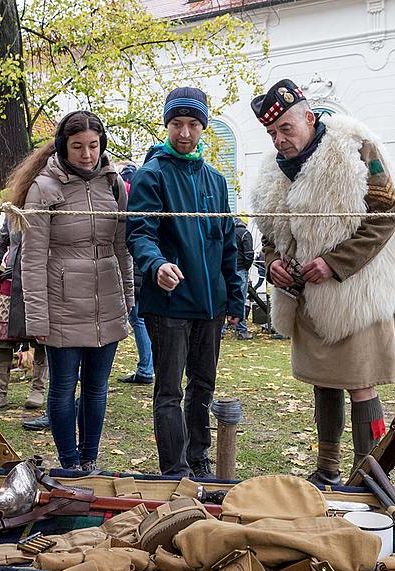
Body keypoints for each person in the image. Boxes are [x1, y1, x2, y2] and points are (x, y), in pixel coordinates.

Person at [249, 80, 395, 485]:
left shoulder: (356, 148)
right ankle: (326, 470)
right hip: (308, 296)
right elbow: (272, 233)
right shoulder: (273, 171)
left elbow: (385, 214)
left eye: (286, 129)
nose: (279, 140)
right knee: (323, 383)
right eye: (272, 133)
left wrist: (333, 263)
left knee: (360, 385)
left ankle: (368, 474)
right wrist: (274, 262)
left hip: (357, 292)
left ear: (309, 118)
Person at [127, 87, 244, 478]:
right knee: (169, 391)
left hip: (210, 304)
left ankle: (198, 458)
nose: (185, 132)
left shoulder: (215, 180)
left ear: (203, 128)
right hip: (170, 302)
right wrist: (155, 264)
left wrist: (234, 297)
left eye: (194, 124)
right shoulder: (152, 175)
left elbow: (227, 240)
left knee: (203, 386)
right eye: (177, 123)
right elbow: (139, 233)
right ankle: (175, 470)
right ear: (166, 124)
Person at [13, 110, 133, 471]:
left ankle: (89, 460)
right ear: (63, 147)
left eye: (93, 145)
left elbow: (121, 246)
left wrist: (128, 297)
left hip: (106, 300)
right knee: (63, 388)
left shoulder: (113, 184)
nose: (86, 154)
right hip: (61, 302)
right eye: (77, 146)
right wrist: (37, 316)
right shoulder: (44, 188)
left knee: (97, 388)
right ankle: (68, 461)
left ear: (102, 145)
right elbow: (31, 259)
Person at [0, 217, 49, 410]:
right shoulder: (13, 213)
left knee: (43, 340)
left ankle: (38, 390)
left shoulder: (49, 208)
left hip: (43, 280)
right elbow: (0, 242)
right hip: (11, 281)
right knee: (1, 341)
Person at [117, 162, 154, 386]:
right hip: (140, 270)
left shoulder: (129, 201)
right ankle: (146, 367)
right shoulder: (140, 198)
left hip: (136, 271)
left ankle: (146, 368)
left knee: (138, 319)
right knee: (139, 319)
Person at [221, 217, 255, 340]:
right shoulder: (245, 233)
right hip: (240, 270)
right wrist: (246, 267)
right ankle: (241, 330)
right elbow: (249, 254)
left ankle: (221, 330)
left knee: (224, 299)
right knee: (240, 299)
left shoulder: (229, 232)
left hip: (226, 270)